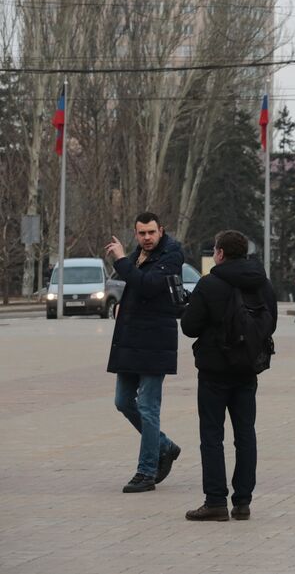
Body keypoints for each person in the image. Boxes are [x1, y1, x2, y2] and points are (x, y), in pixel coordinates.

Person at [180, 230, 278, 521]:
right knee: (245, 434)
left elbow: (189, 326)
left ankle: (215, 502)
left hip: (214, 370)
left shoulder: (210, 283)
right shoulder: (262, 283)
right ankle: (243, 502)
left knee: (212, 435)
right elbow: (270, 322)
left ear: (220, 253)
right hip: (248, 369)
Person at [105, 211, 184, 493]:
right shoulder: (138, 255)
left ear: (161, 230)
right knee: (123, 401)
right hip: (130, 340)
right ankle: (165, 446)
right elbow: (135, 287)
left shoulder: (172, 255)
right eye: (142, 233)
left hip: (155, 342)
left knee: (149, 408)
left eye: (151, 232)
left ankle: (146, 471)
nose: (147, 238)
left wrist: (122, 260)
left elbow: (149, 286)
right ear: (136, 233)